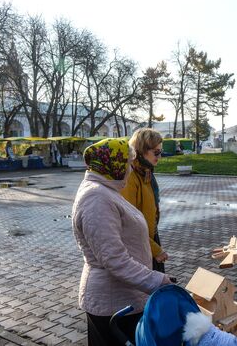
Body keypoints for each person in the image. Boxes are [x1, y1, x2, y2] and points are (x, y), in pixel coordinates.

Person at [72, 138, 172, 345]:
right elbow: (114, 259)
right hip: (113, 304)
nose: (129, 169)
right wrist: (157, 281)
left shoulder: (105, 190)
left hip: (124, 298)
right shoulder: (96, 198)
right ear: (113, 164)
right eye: (126, 163)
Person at [121, 128, 168, 273]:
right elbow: (129, 223)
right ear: (141, 151)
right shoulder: (131, 177)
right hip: (140, 243)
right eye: (156, 152)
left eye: (161, 152)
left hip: (149, 236)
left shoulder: (146, 172)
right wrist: (154, 249)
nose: (159, 157)